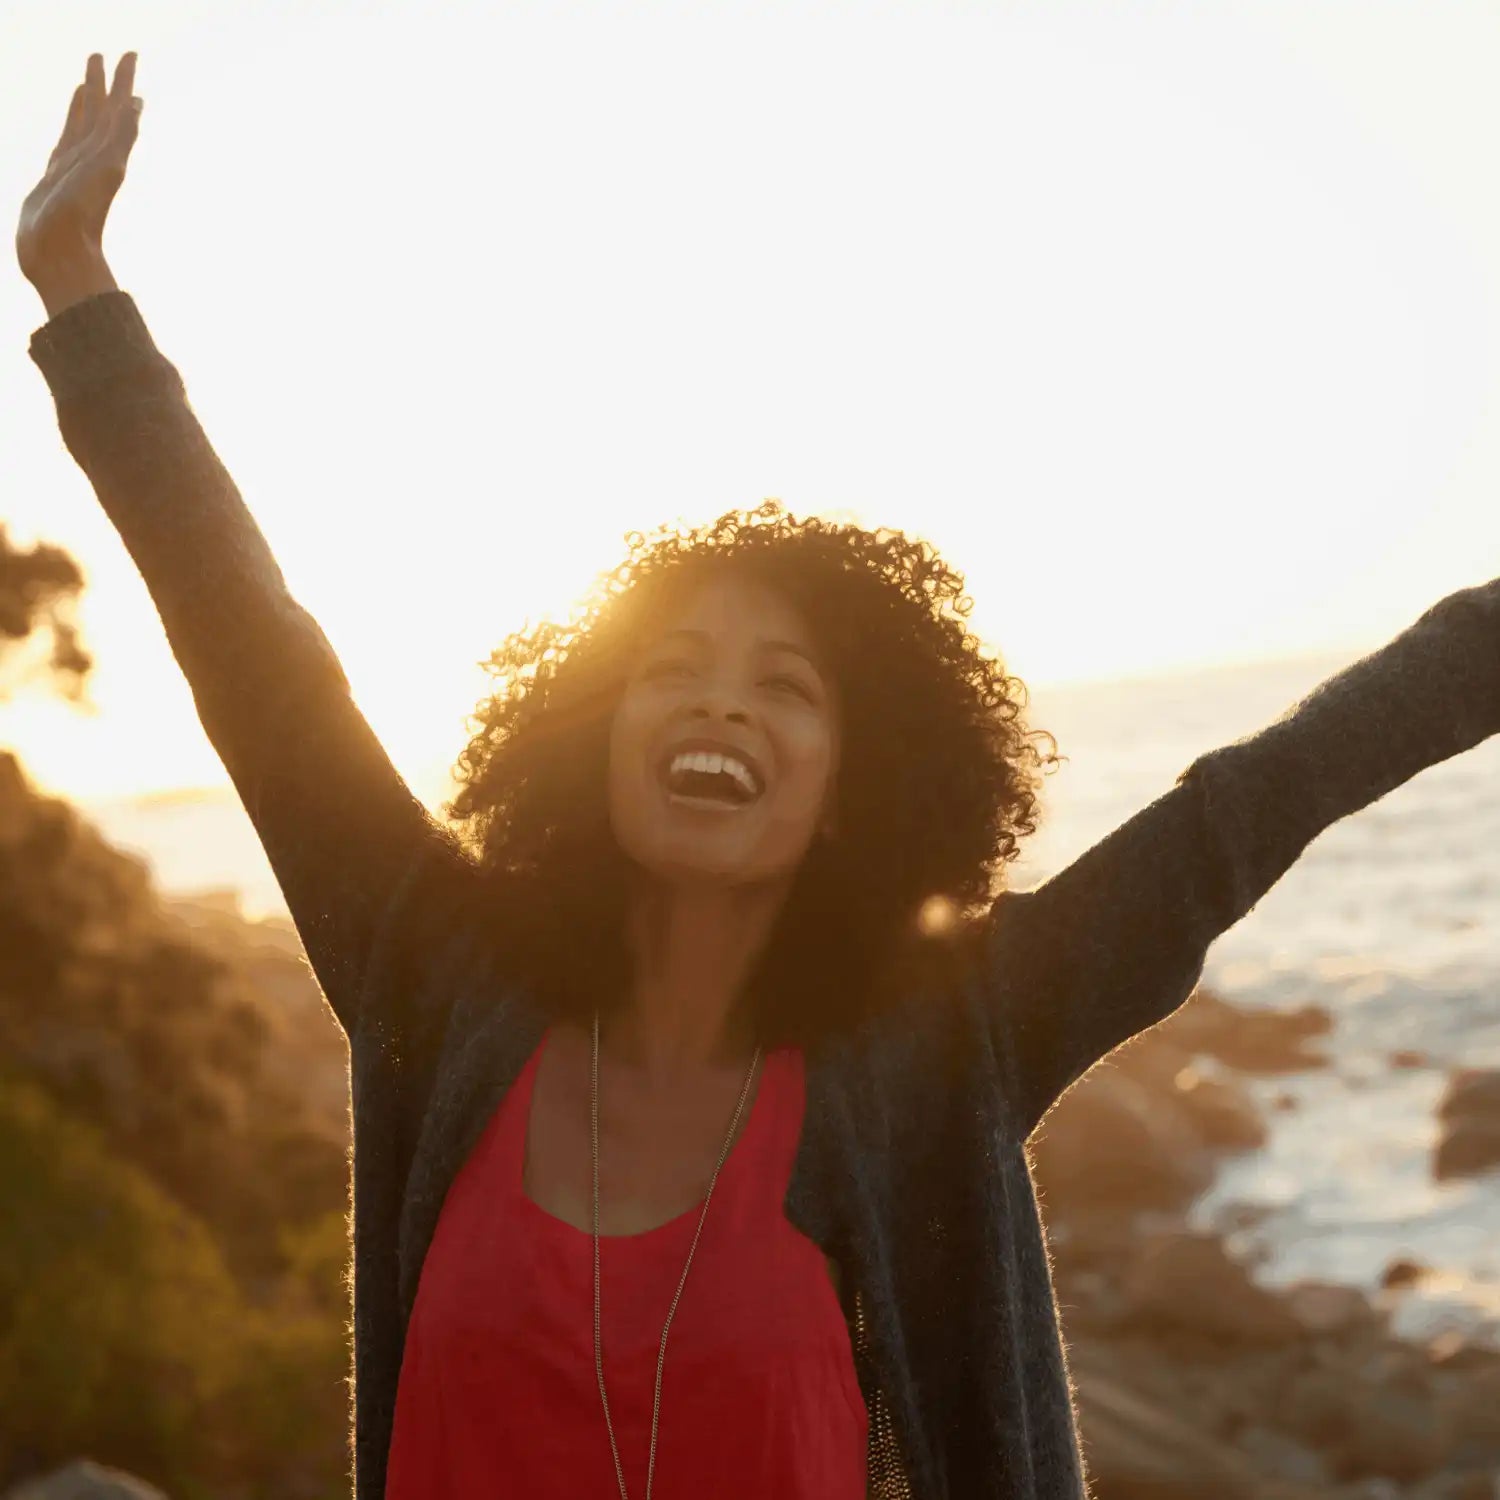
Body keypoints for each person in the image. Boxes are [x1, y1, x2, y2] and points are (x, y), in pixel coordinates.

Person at [17, 51, 1500, 1500]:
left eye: (785, 686)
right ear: (590, 734)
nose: (720, 700)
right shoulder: (434, 974)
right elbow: (260, 663)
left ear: (858, 782)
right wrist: (81, 299)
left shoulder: (951, 1036)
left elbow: (1256, 800)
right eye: (671, 668)